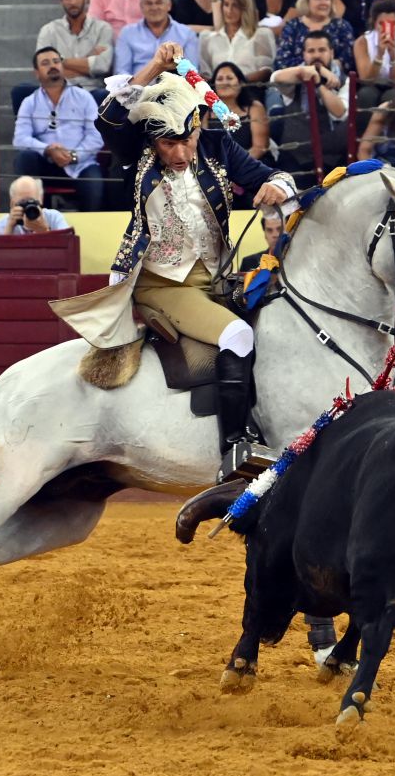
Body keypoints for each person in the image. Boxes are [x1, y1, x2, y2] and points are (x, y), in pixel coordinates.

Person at [94, 41, 297, 466]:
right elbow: (109, 116)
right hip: (163, 284)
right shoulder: (136, 151)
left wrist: (276, 186)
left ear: (198, 129)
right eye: (168, 144)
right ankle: (235, 447)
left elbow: (275, 174)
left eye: (186, 140)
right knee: (238, 336)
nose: (181, 154)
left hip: (218, 280)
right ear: (153, 138)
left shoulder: (217, 147)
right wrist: (155, 65)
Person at [13, 47, 104, 212]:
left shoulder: (83, 97)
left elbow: (95, 136)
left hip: (79, 164)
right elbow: (20, 139)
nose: (53, 66)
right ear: (36, 73)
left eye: (56, 61)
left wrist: (73, 156)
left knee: (94, 182)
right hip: (45, 164)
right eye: (45, 63)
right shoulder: (29, 102)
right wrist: (48, 150)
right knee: (24, 158)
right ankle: (32, 220)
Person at [269, 30, 351, 182]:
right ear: (304, 54)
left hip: (333, 159)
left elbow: (340, 113)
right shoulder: (295, 76)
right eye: (311, 51)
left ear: (331, 53)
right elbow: (275, 78)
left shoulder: (344, 80)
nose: (316, 55)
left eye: (322, 50)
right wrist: (313, 70)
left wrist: (318, 83)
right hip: (296, 158)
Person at [35, 0, 115, 97]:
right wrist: (88, 63)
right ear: (61, 1)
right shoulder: (48, 31)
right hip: (59, 91)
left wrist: (60, 61)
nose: (72, 2)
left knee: (105, 96)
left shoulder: (102, 29)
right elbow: (44, 70)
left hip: (93, 91)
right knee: (21, 90)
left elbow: (103, 66)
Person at [353, 0, 395, 124]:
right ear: (374, 23)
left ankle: (394, 135)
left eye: (393, 24)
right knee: (366, 95)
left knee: (393, 97)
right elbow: (366, 79)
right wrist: (379, 54)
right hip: (373, 85)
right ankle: (363, 133)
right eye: (381, 24)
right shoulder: (362, 42)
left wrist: (392, 55)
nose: (387, 28)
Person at [273, 0, 355, 72]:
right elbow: (282, 61)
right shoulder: (293, 26)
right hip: (298, 78)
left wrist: (324, 68)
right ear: (306, 1)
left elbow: (348, 60)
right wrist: (311, 67)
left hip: (334, 77)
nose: (324, 3)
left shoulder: (342, 26)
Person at [115, 0, 199, 75]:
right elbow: (121, 72)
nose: (154, 8)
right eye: (148, 3)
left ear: (169, 5)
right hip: (138, 82)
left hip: (174, 82)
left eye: (159, 3)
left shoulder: (187, 34)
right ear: (141, 6)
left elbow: (191, 71)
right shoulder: (127, 33)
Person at [198, 0, 276, 82]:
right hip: (217, 89)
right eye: (226, 5)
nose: (229, 10)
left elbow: (266, 71)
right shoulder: (207, 38)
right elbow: (206, 74)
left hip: (250, 87)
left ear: (245, 8)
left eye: (235, 6)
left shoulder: (260, 35)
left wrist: (239, 82)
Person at [205, 61, 270, 170]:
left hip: (251, 164)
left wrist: (234, 167)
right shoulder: (205, 111)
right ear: (214, 86)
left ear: (241, 83)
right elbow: (203, 147)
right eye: (220, 79)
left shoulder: (254, 107)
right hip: (216, 168)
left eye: (229, 78)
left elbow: (260, 147)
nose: (225, 82)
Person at [0, 176, 70, 235]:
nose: (27, 207)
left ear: (40, 199)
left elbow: (67, 245)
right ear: (12, 203)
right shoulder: (5, 222)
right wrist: (9, 227)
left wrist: (44, 231)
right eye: (22, 202)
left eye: (31, 201)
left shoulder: (53, 218)